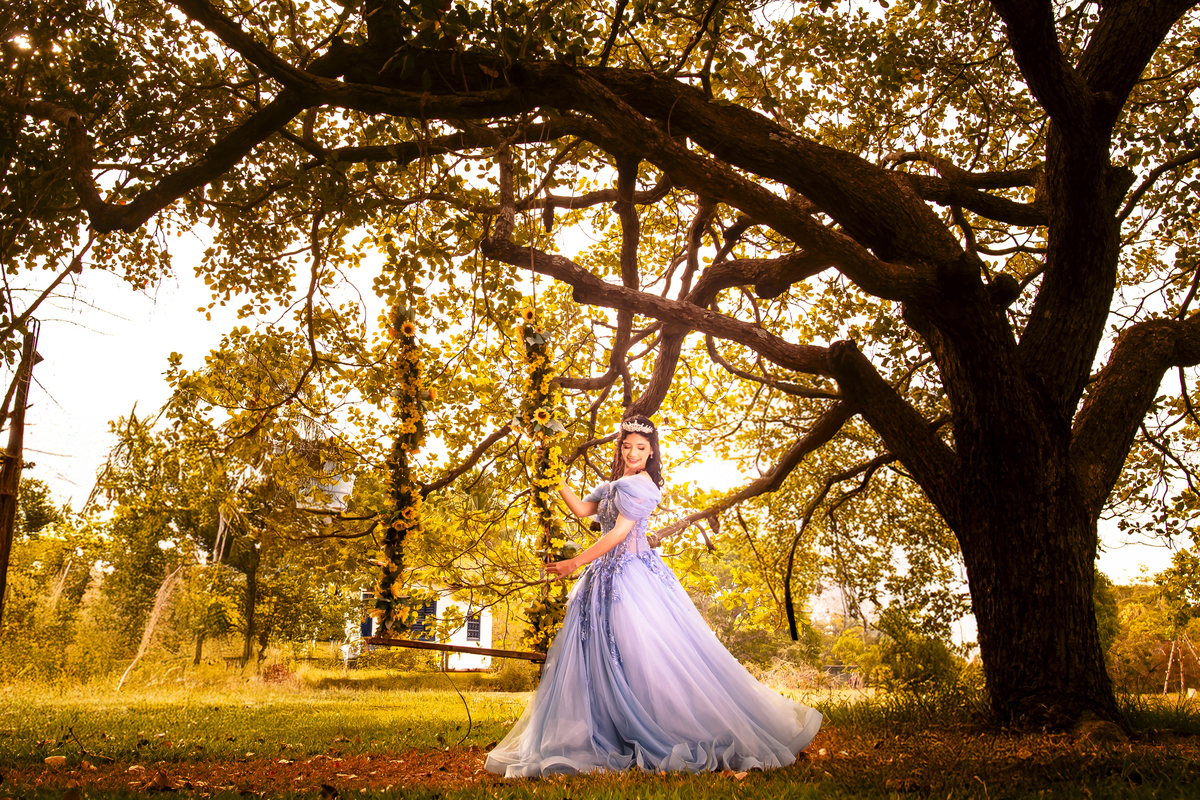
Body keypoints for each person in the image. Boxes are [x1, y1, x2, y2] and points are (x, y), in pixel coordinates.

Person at [484, 415, 823, 777]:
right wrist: (555, 477)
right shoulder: (615, 484)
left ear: (650, 452)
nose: (632, 452)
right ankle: (606, 727)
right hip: (602, 578)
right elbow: (582, 510)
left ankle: (657, 724)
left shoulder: (643, 487)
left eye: (640, 448)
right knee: (601, 653)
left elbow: (617, 534)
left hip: (632, 577)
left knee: (641, 653)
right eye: (627, 446)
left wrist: (575, 563)